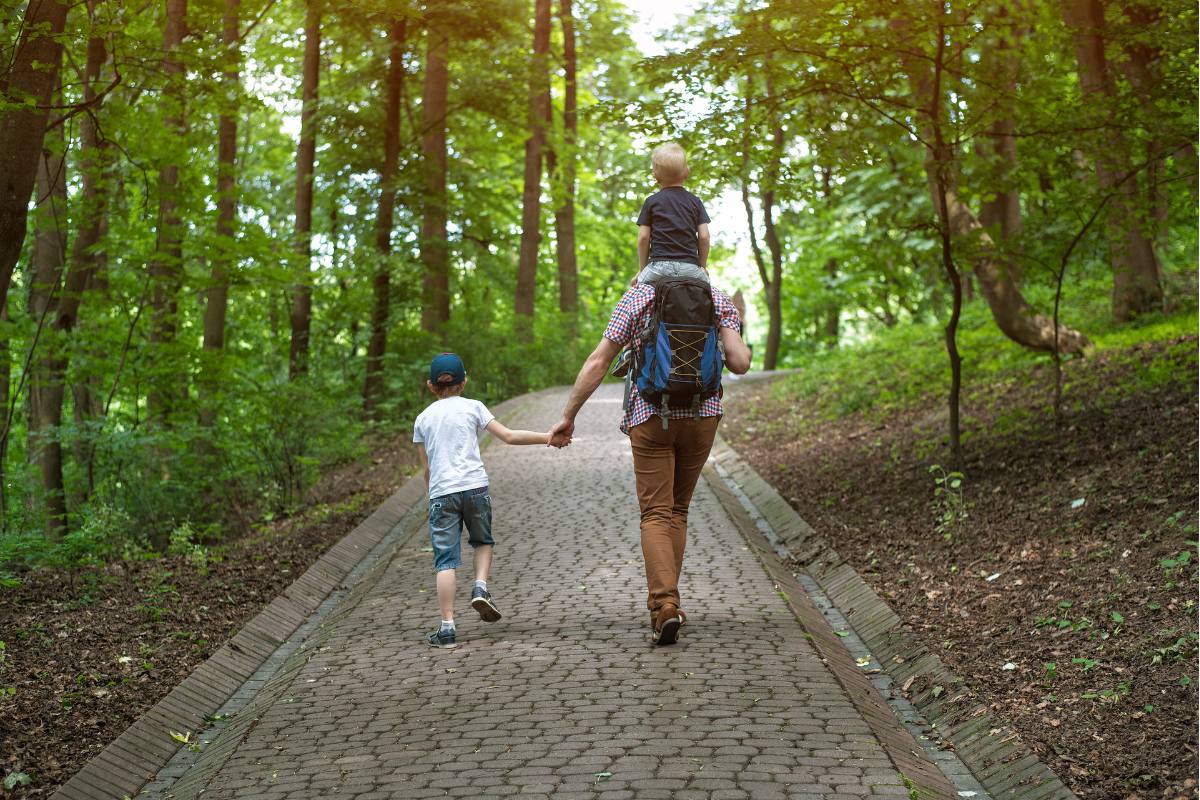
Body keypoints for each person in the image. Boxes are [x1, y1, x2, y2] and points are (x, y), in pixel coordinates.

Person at [548, 283, 752, 646]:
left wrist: (569, 415)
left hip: (651, 416)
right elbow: (741, 363)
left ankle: (664, 605)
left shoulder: (638, 296)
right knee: (678, 510)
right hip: (702, 416)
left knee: (656, 512)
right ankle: (669, 602)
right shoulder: (716, 297)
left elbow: (599, 362)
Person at [413, 353, 553, 649]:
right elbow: (509, 436)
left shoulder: (422, 419)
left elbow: (426, 470)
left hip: (442, 493)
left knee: (445, 562)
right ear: (464, 382)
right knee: (483, 541)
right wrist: (548, 437)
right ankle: (480, 587)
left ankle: (447, 629)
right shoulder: (474, 407)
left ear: (430, 385)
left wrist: (432, 495)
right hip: (475, 488)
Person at [633, 142, 711, 286]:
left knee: (635, 295)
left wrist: (642, 270)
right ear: (687, 172)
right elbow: (704, 237)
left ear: (655, 176)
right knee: (710, 295)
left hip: (659, 268)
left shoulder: (651, 202)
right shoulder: (695, 202)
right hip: (690, 267)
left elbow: (643, 238)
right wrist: (702, 267)